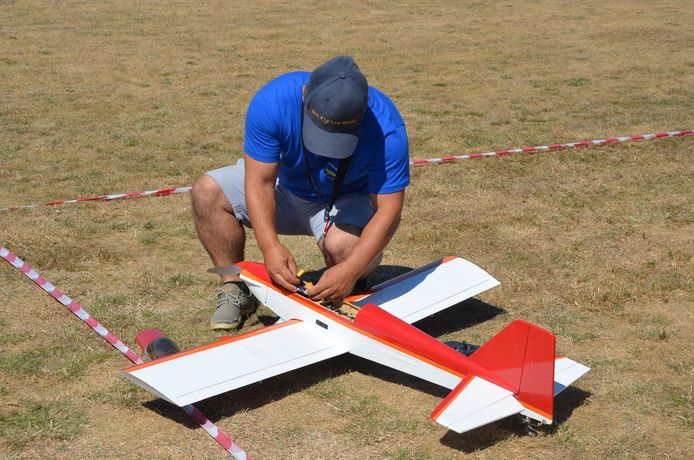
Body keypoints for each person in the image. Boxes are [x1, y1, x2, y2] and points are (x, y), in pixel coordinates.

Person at [191, 56, 409, 330]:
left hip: (343, 198)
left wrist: (351, 269)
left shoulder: (387, 128)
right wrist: (269, 246)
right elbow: (260, 182)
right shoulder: (272, 102)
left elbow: (389, 209)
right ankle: (235, 288)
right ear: (305, 94)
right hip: (282, 188)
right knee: (207, 191)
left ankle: (350, 290)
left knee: (347, 249)